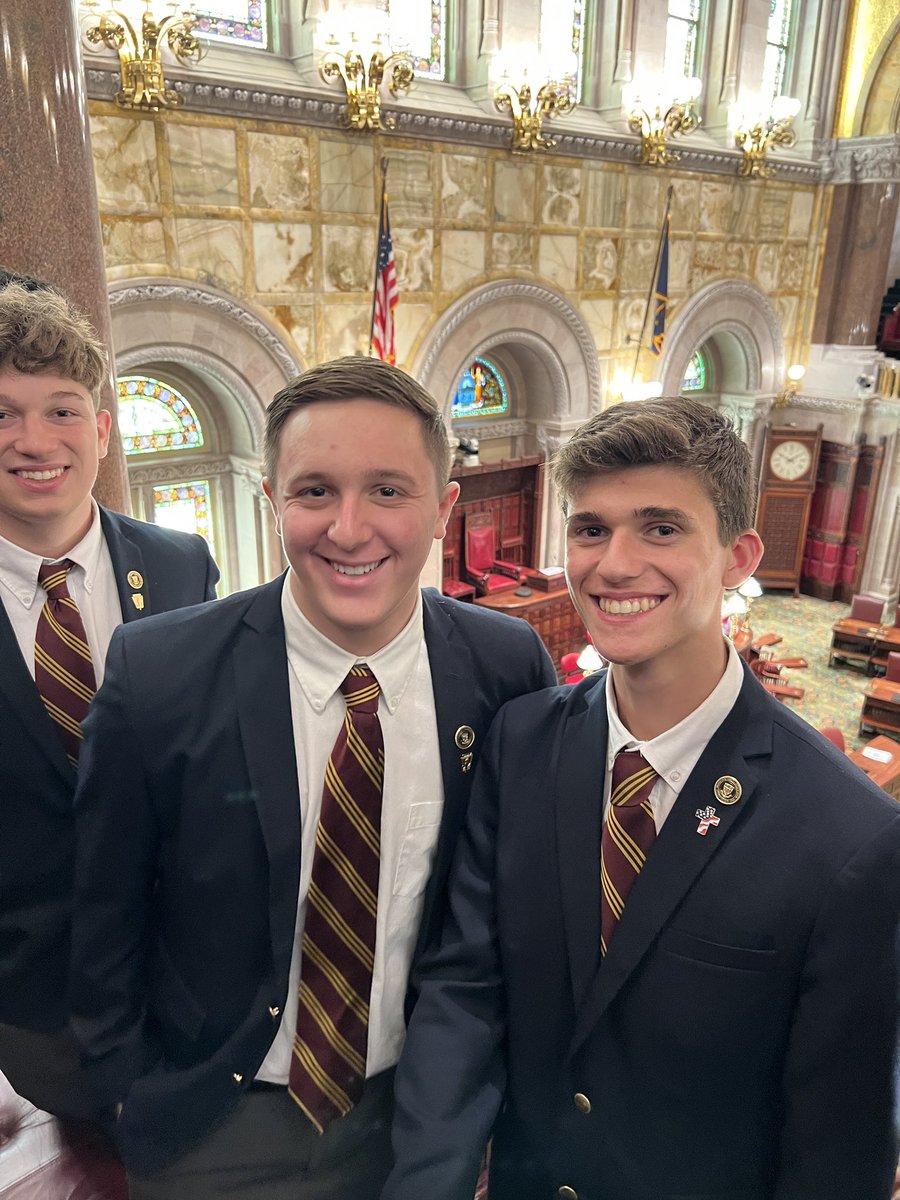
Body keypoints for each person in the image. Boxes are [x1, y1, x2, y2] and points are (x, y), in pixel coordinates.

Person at [385, 396, 900, 1200]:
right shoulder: (520, 743)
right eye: (591, 529)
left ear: (738, 556)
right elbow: (466, 989)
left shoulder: (851, 836)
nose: (615, 564)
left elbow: (836, 1147)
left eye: (661, 529)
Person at [69, 355, 556, 1199]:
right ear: (272, 501)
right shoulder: (160, 672)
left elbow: (506, 910)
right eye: (316, 491)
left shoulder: (505, 665)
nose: (349, 528)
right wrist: (126, 1089)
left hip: (415, 1118)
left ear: (444, 508)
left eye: (389, 491)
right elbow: (105, 909)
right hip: (214, 1120)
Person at [0, 281, 218, 1182]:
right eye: (3, 414)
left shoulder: (179, 564)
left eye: (60, 410)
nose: (33, 440)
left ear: (102, 427)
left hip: (196, 984)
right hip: (40, 1005)